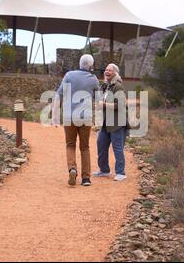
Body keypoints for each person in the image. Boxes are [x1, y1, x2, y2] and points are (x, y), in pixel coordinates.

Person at [52, 54, 100, 187]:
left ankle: (72, 169)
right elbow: (99, 100)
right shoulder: (93, 79)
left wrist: (55, 117)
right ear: (90, 66)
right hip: (86, 117)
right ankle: (86, 178)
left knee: (70, 144)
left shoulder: (69, 75)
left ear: (80, 63)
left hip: (69, 116)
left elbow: (58, 96)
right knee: (85, 147)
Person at [94, 64, 128, 181]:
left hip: (117, 123)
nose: (107, 71)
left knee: (117, 148)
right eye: (106, 69)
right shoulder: (105, 86)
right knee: (101, 144)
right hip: (105, 122)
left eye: (110, 70)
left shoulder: (118, 86)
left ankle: (121, 173)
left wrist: (103, 104)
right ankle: (104, 170)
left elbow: (120, 105)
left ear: (115, 73)